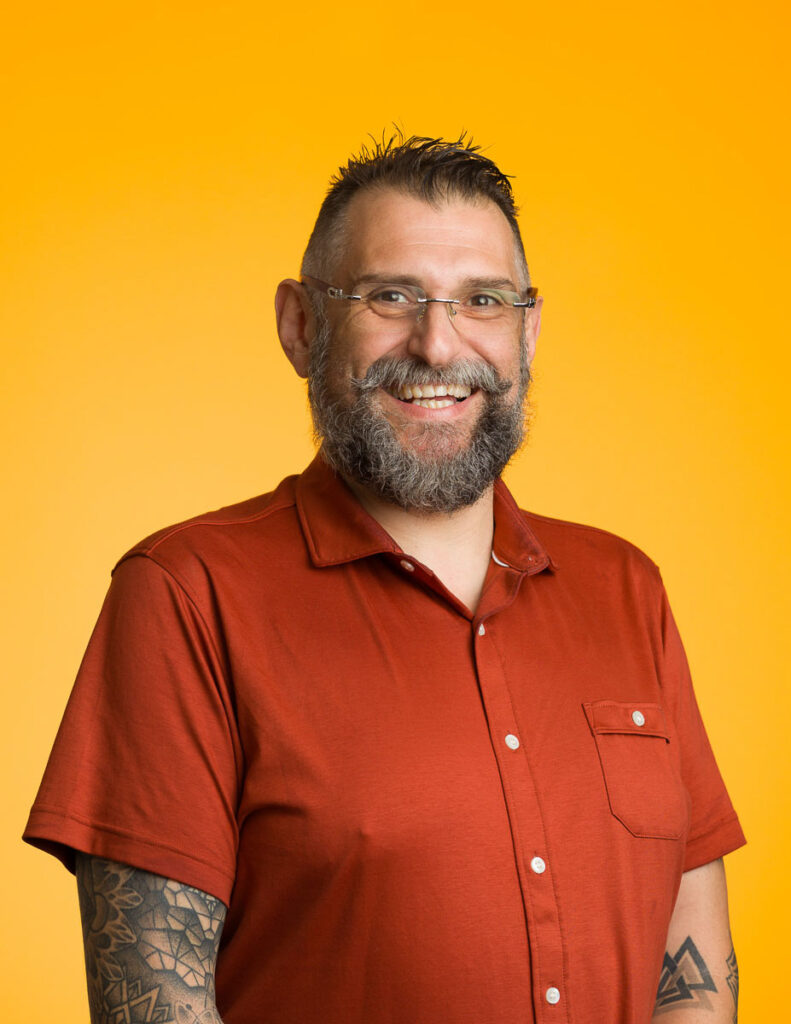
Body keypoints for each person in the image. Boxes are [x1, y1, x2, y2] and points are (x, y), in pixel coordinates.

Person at [24, 134, 745, 1024]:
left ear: (527, 330)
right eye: (390, 295)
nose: (438, 346)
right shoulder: (185, 594)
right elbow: (152, 1008)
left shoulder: (625, 588)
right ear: (300, 325)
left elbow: (693, 962)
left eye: (482, 299)